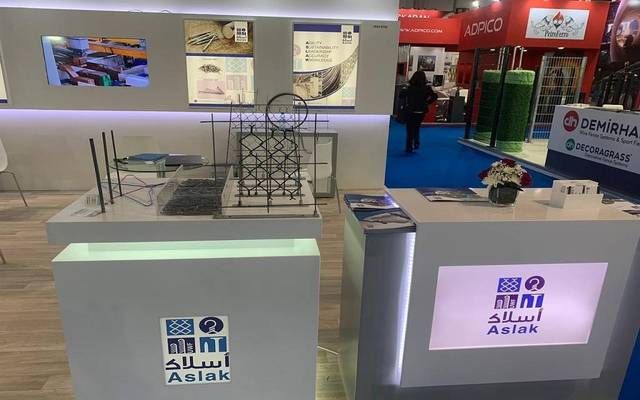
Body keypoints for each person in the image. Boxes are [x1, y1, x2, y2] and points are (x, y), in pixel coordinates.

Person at [403, 70, 437, 153]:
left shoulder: (410, 87)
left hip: (411, 110)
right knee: (417, 127)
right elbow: (434, 96)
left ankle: (409, 147)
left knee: (410, 129)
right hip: (422, 111)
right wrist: (427, 102)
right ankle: (416, 143)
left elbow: (401, 95)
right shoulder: (426, 88)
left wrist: (404, 89)